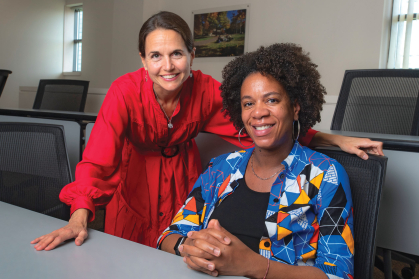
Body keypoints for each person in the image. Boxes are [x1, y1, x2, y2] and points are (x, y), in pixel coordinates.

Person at [31, 11, 381, 251]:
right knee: (129, 254)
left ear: (192, 55)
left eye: (176, 54)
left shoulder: (207, 89)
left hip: (183, 176)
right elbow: (98, 161)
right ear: (142, 60)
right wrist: (79, 217)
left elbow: (262, 124)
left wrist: (330, 138)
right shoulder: (123, 92)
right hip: (134, 179)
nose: (167, 66)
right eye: (155, 56)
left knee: (180, 247)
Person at [158, 43, 354, 279]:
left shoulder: (324, 174)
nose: (258, 113)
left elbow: (339, 274)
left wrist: (255, 266)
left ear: (295, 107)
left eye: (271, 100)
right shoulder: (221, 168)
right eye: (248, 103)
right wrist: (189, 248)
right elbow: (169, 235)